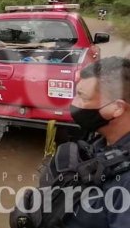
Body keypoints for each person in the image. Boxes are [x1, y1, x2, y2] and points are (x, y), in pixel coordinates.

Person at [10, 57, 130, 228]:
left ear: (117, 108)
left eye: (82, 96)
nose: (74, 104)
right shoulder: (101, 141)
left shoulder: (126, 181)